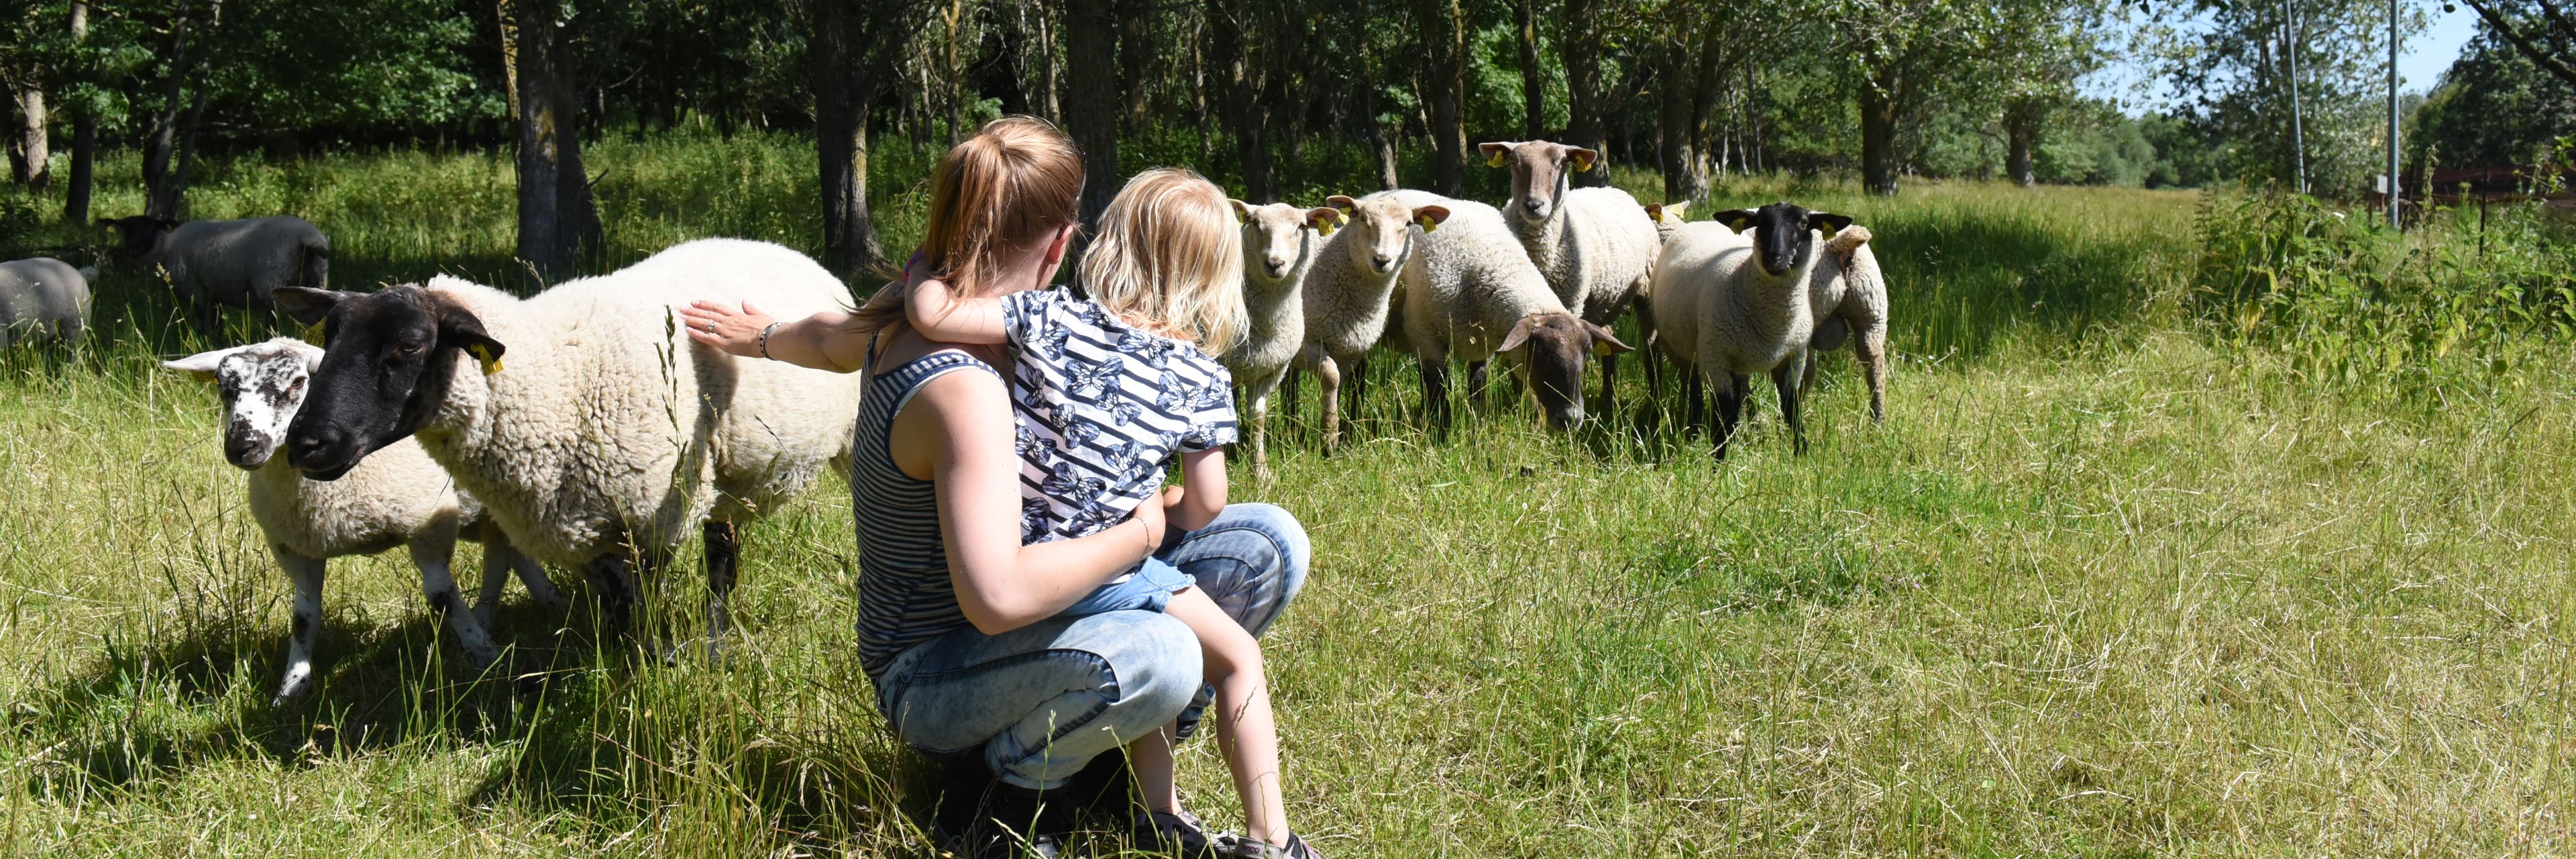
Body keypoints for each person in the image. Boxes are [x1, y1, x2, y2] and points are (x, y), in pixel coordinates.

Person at [677, 117, 1310, 859]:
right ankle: (995, 794)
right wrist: (1139, 531)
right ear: (1060, 243)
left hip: (1031, 609)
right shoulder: (965, 387)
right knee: (1168, 651)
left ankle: (1100, 760)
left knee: (1266, 541)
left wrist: (761, 333)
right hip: (936, 668)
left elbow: (826, 337)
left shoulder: (1015, 322)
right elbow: (999, 597)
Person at [902, 166, 1322, 858]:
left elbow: (935, 316)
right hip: (1111, 561)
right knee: (1236, 657)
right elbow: (1209, 501)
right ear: (1218, 275)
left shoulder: (1051, 316)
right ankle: (1270, 837)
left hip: (1023, 561)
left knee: (1165, 633)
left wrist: (924, 269)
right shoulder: (1203, 376)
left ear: (1112, 243)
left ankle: (1159, 812)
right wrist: (1160, 508)